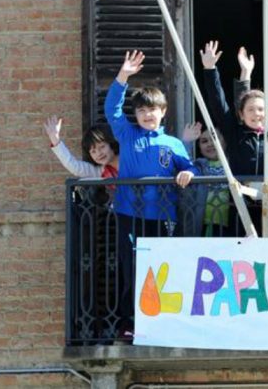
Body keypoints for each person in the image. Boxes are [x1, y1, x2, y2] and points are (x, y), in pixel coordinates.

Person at [104, 49, 198, 340]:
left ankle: (162, 321)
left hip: (163, 215)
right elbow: (112, 110)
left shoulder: (172, 143)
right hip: (129, 213)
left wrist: (188, 173)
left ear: (163, 112)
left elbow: (188, 167)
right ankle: (129, 323)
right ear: (137, 114)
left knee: (162, 269)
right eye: (142, 110)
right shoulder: (128, 135)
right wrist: (123, 76)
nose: (147, 114)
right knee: (131, 269)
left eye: (152, 110)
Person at [201, 41, 268, 233]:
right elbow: (217, 102)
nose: (256, 113)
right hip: (240, 210)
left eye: (261, 109)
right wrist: (210, 69)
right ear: (242, 114)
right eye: (251, 109)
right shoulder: (234, 132)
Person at [180, 122, 233, 237]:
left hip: (233, 225)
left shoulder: (234, 164)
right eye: (204, 141)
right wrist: (186, 142)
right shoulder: (199, 165)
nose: (210, 144)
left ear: (225, 140)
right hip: (205, 226)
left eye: (214, 138)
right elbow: (183, 163)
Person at [44, 115, 119, 179]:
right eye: (93, 151)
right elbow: (75, 167)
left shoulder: (129, 157)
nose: (99, 153)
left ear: (111, 144)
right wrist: (55, 139)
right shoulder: (101, 171)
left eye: (102, 147)